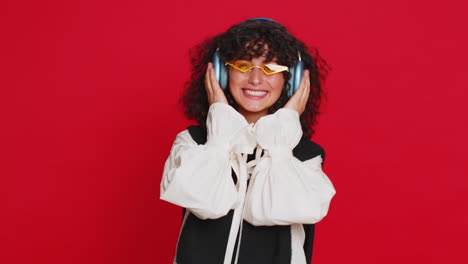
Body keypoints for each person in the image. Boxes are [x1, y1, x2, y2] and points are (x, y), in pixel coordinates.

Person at [160, 18, 336, 264]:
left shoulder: (305, 156)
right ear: (222, 73)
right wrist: (220, 130)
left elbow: (273, 210)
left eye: (271, 68)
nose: (255, 79)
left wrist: (283, 133)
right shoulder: (193, 143)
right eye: (242, 66)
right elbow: (206, 204)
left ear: (291, 80)